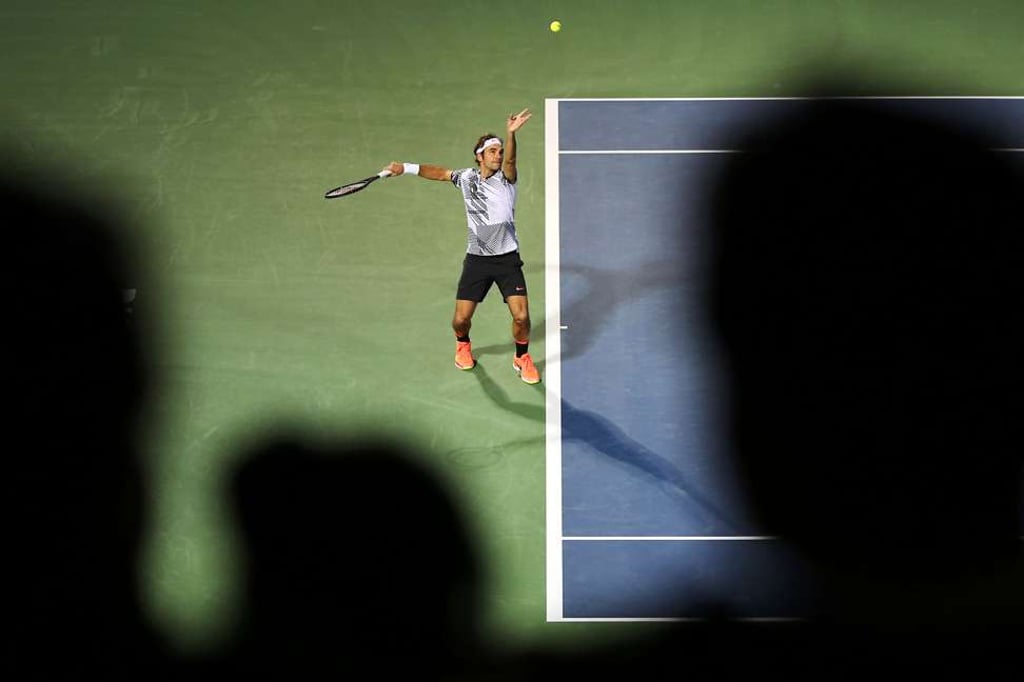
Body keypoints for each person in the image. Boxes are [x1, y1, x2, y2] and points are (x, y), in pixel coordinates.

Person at [385, 108, 540, 384]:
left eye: (500, 150)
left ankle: (521, 357)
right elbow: (440, 173)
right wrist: (404, 168)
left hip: (507, 260)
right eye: (493, 151)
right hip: (477, 260)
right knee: (460, 320)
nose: (499, 154)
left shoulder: (507, 180)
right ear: (479, 156)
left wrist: (511, 134)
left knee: (522, 317)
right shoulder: (466, 178)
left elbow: (513, 159)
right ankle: (463, 344)